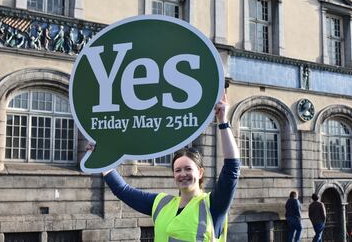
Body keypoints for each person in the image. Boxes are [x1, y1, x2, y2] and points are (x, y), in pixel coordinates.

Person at [87, 94, 240, 241]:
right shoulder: (161, 204)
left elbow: (232, 169)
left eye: (188, 168)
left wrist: (223, 122)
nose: (183, 174)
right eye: (177, 170)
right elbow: (123, 191)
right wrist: (102, 160)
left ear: (200, 172)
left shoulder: (214, 206)